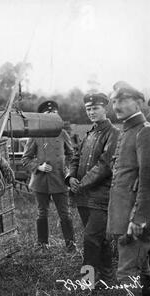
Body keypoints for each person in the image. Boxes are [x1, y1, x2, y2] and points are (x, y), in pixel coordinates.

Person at [65, 93, 120, 283]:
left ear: (106, 108)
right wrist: (70, 177)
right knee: (100, 239)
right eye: (88, 109)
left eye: (95, 108)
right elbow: (75, 158)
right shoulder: (88, 134)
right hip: (83, 197)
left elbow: (105, 165)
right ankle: (107, 277)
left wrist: (81, 184)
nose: (91, 112)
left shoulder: (113, 133)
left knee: (90, 239)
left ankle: (87, 280)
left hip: (101, 198)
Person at [107, 81, 150, 296]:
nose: (116, 105)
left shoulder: (144, 132)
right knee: (141, 267)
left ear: (139, 103)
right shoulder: (128, 131)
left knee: (126, 273)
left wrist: (140, 218)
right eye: (114, 100)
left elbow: (148, 179)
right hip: (124, 213)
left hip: (135, 218)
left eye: (123, 99)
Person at [22, 100, 75, 252]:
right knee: (41, 212)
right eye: (47, 115)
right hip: (41, 181)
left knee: (65, 213)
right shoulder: (35, 134)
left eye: (54, 114)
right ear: (42, 117)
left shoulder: (63, 133)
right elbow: (25, 159)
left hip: (60, 180)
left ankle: (71, 244)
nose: (51, 117)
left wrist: (67, 170)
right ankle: (42, 244)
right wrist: (38, 166)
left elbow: (72, 155)